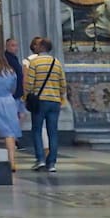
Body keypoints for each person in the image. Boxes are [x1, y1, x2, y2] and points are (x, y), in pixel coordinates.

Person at [25, 37, 66, 171]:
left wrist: (27, 96)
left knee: (37, 130)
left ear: (42, 47)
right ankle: (52, 163)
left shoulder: (35, 62)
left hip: (40, 101)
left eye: (38, 46)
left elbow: (30, 83)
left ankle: (40, 159)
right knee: (53, 132)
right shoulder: (57, 62)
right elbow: (63, 83)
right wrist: (60, 97)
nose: (35, 47)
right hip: (55, 101)